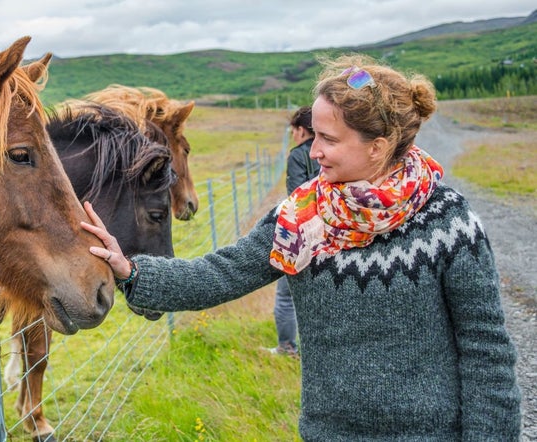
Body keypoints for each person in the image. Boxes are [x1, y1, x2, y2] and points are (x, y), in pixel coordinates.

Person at [82, 54, 521, 440]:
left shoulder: (449, 222)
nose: (313, 153)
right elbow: (222, 273)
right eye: (315, 137)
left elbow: (487, 351)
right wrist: (131, 270)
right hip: (328, 433)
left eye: (328, 140)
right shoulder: (304, 217)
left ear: (378, 146)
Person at [269, 105, 319, 356]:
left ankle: (287, 347)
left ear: (301, 130)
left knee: (286, 297)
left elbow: (297, 199)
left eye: (294, 131)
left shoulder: (298, 156)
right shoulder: (333, 151)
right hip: (335, 235)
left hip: (304, 237)